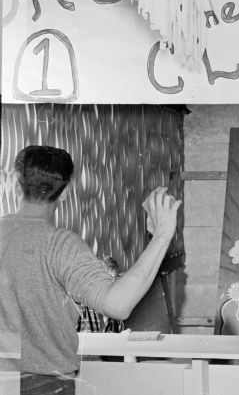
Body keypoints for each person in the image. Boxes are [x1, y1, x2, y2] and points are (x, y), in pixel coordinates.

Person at [0, 145, 182, 394]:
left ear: (12, 180)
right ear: (65, 193)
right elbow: (117, 304)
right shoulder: (60, 246)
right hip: (43, 385)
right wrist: (161, 236)